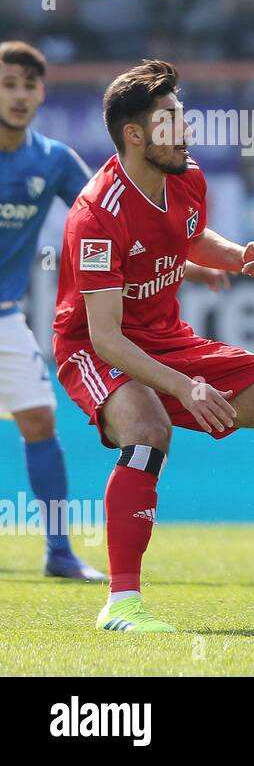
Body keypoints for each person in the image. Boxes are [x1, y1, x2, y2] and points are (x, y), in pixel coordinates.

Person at [52, 59, 254, 633]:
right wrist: (182, 386)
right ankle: (122, 605)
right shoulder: (95, 216)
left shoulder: (187, 176)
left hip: (170, 340)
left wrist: (239, 256)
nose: (186, 128)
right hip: (93, 349)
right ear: (136, 135)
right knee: (148, 430)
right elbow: (105, 336)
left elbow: (191, 236)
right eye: (170, 118)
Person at [0, 41, 103, 581]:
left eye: (27, 85)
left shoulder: (53, 160)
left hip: (3, 317)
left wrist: (188, 260)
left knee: (40, 418)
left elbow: (106, 216)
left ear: (41, 93)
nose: (18, 96)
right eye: (7, 83)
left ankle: (59, 552)